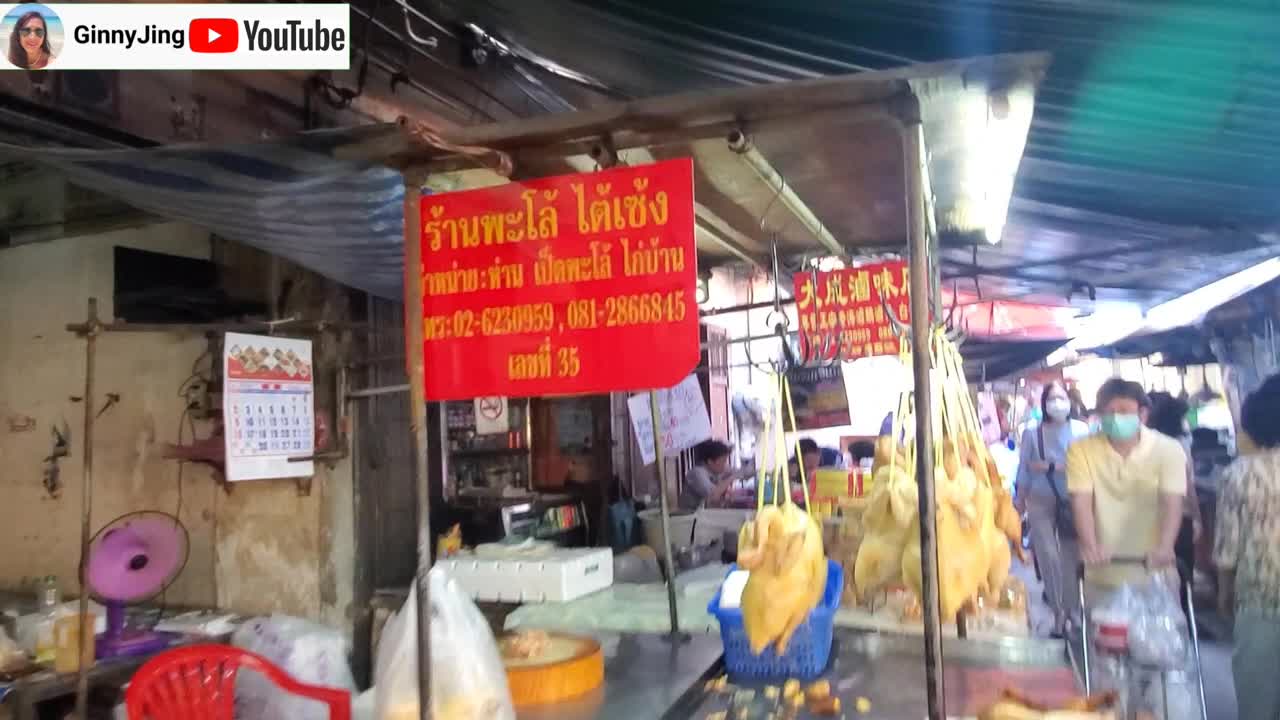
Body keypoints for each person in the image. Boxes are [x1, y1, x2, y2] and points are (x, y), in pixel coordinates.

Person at [1067, 379, 1186, 592]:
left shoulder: (1169, 450)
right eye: (1108, 412)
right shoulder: (1080, 451)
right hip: (1102, 571)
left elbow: (1173, 503)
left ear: (1142, 414)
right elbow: (1081, 502)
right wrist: (1090, 545)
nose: (1115, 417)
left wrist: (1165, 547)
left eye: (1123, 411)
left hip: (1155, 571)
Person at [1214, 374, 1280, 720]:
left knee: (1258, 699)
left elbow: (1228, 548)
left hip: (1258, 600)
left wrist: (1224, 596)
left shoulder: (1238, 474)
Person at [1015, 381, 1091, 636]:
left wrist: (1050, 466)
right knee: (1048, 556)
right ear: (1045, 404)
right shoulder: (1031, 433)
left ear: (1069, 402)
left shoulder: (1082, 431)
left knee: (1071, 557)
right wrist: (1018, 502)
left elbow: (1087, 467)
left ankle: (1074, 611)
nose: (1057, 403)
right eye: (1052, 398)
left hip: (1074, 500)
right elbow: (1024, 470)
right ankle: (1059, 612)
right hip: (1039, 500)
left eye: (1062, 397)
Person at [1146, 391, 1204, 614]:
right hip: (1181, 516)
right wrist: (1197, 516)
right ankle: (1184, 617)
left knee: (1159, 572)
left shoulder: (1149, 444)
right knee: (1183, 570)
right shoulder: (1180, 446)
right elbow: (1187, 486)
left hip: (1153, 517)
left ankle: (1162, 615)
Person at [678, 440, 752, 511]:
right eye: (723, 461)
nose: (725, 464)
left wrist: (751, 472)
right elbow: (713, 496)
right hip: (689, 517)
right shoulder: (697, 474)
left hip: (705, 515)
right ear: (710, 462)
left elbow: (740, 472)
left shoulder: (716, 469)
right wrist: (731, 478)